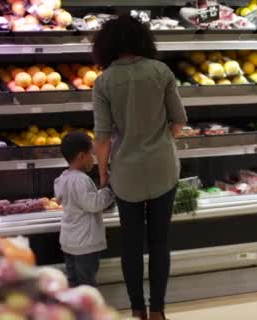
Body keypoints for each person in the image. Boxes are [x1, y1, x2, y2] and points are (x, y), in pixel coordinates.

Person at [92, 14, 188, 320]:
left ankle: (138, 311)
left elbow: (103, 136)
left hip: (126, 172)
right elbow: (179, 120)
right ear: (143, 40)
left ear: (106, 46)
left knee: (131, 244)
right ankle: (159, 311)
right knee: (160, 241)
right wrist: (163, 140)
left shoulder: (104, 81)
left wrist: (104, 172)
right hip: (162, 168)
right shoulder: (160, 71)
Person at [55, 131, 114, 287]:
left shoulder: (62, 178)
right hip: (85, 244)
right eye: (92, 154)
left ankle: (74, 310)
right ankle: (89, 310)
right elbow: (93, 205)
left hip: (69, 242)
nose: (94, 159)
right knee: (87, 285)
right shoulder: (81, 180)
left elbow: (58, 198)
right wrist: (109, 190)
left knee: (73, 283)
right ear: (82, 156)